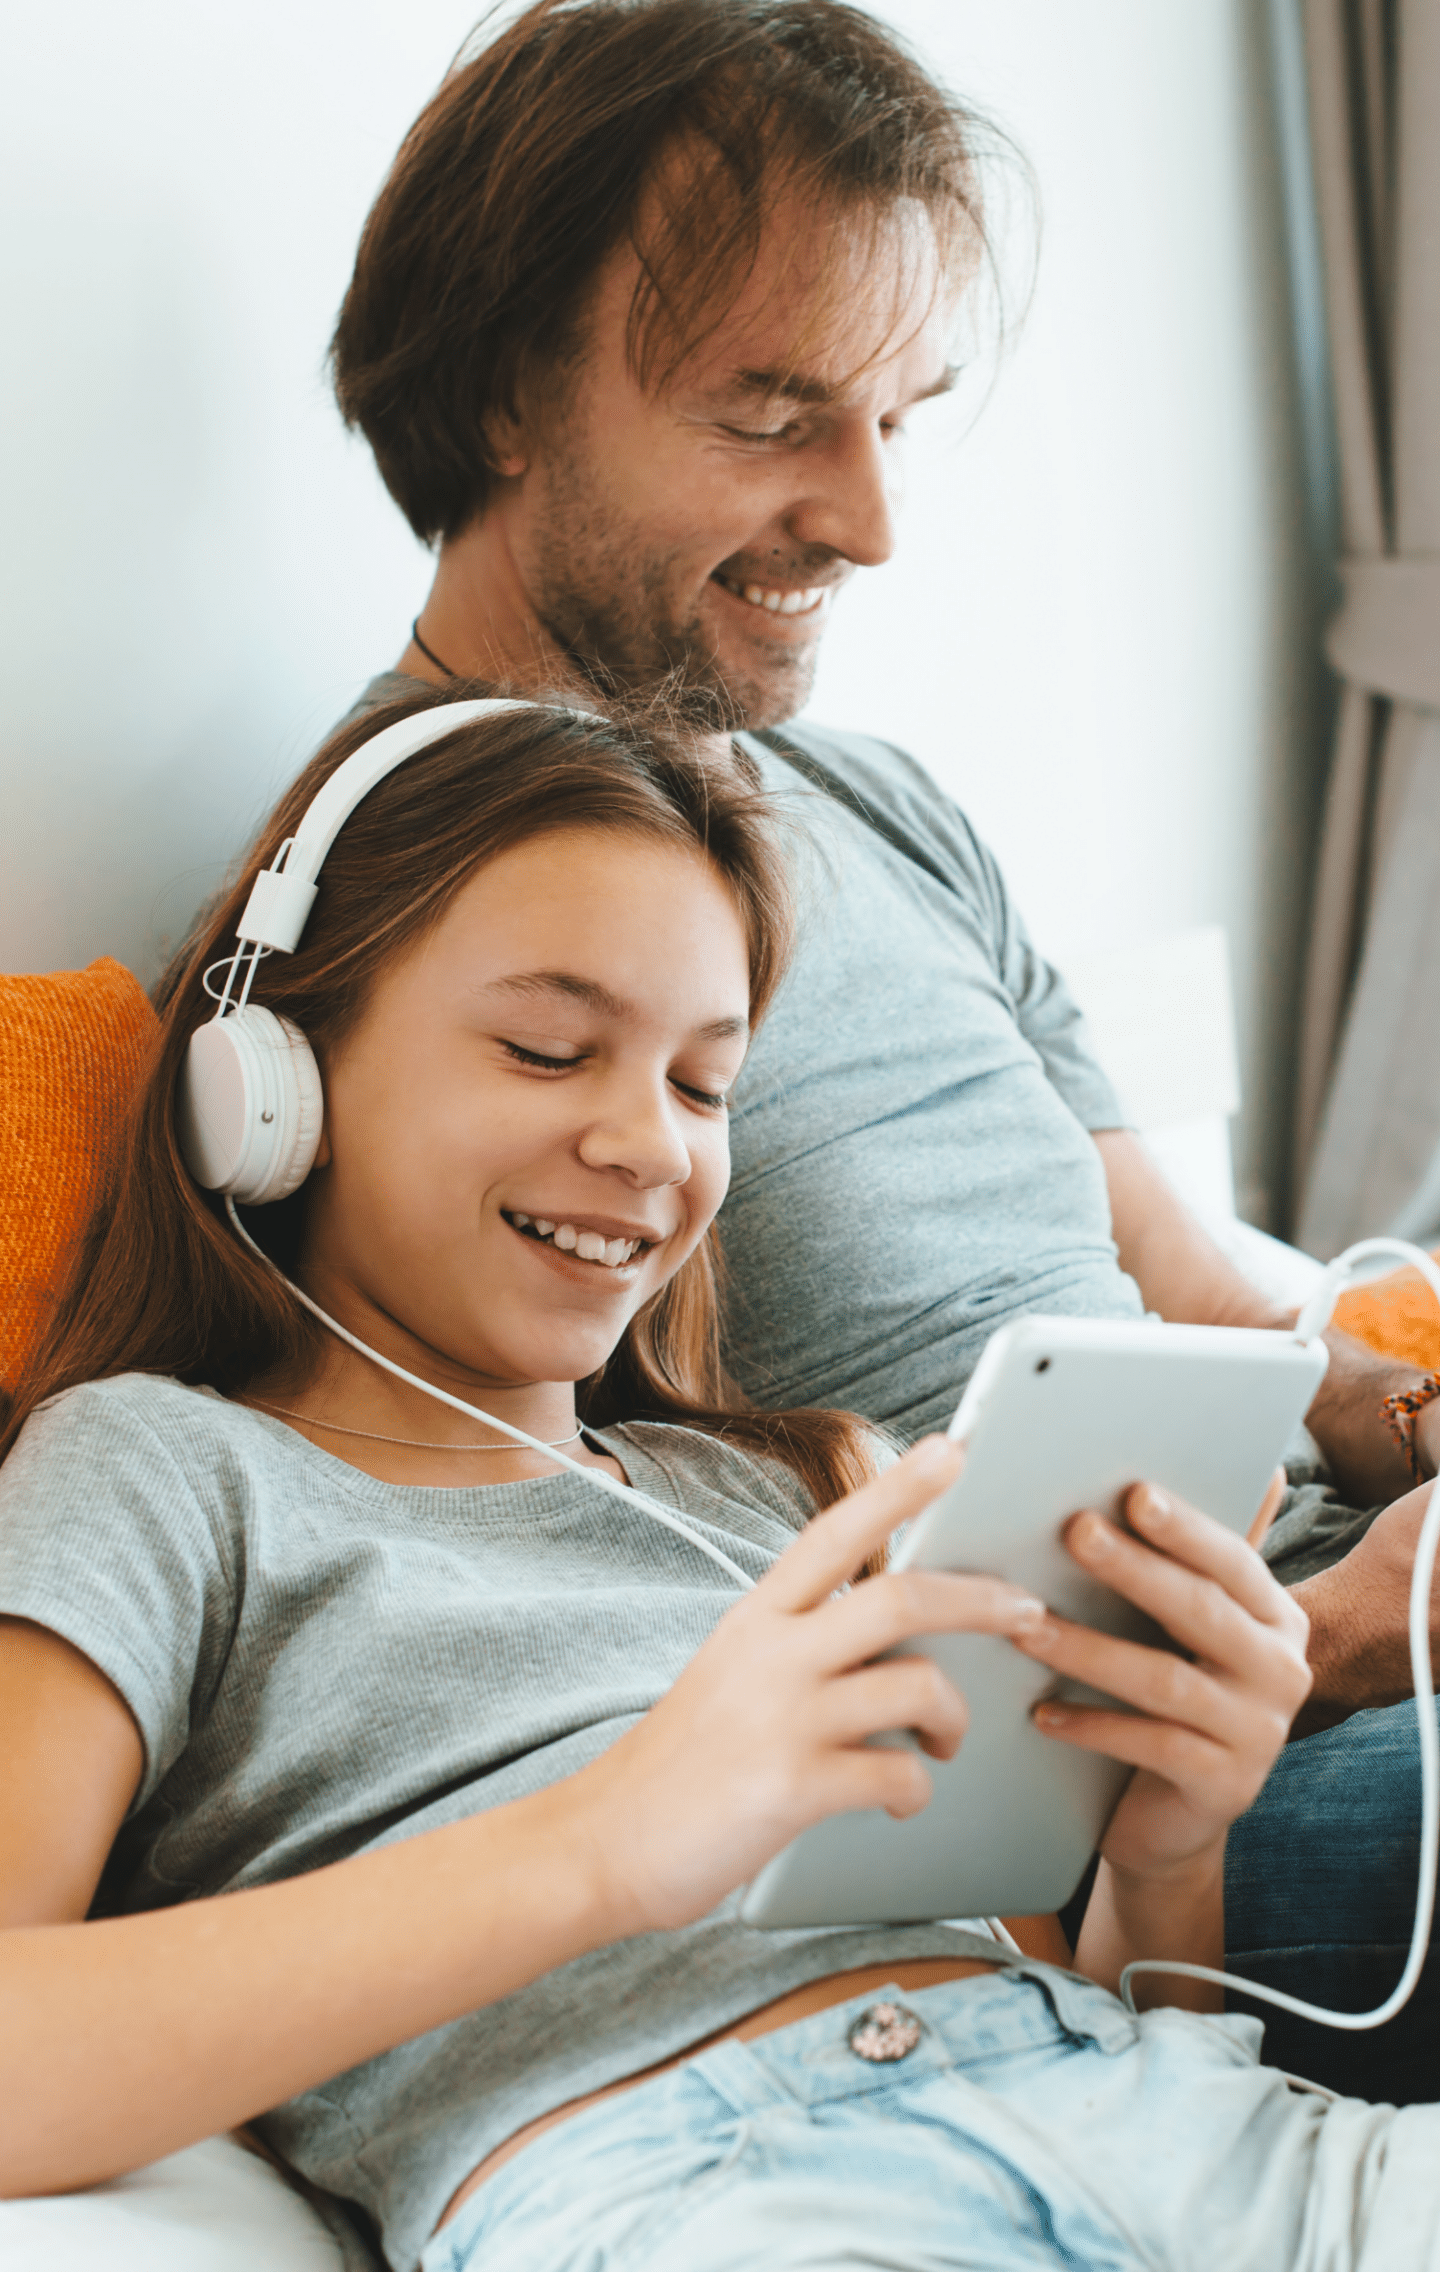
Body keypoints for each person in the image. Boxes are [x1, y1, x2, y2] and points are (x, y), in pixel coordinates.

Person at [322, 0, 1440, 2097]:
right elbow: (597, 1653)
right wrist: (1319, 1648)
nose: (869, 518)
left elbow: (1190, 1295)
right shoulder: (405, 961)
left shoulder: (864, 794)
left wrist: (1400, 1424)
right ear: (496, 398)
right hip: (1169, 1781)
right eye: (769, 417)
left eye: (892, 417)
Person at [3, 687, 1432, 2272]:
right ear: (277, 1073)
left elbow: (1064, 1996)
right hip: (716, 2193)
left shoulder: (794, 1489)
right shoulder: (162, 1471)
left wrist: (1169, 1854)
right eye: (551, 1049)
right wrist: (611, 1838)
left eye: (704, 1084)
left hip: (1191, 2135)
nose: (649, 1144)